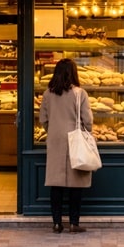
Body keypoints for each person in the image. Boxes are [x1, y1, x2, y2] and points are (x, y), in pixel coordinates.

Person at [38, 58, 94, 234]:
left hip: (55, 140)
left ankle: (56, 223)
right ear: (74, 73)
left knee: (56, 184)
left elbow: (43, 120)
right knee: (76, 184)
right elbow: (89, 121)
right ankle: (73, 223)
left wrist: (53, 130)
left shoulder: (48, 94)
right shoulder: (80, 93)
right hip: (75, 140)